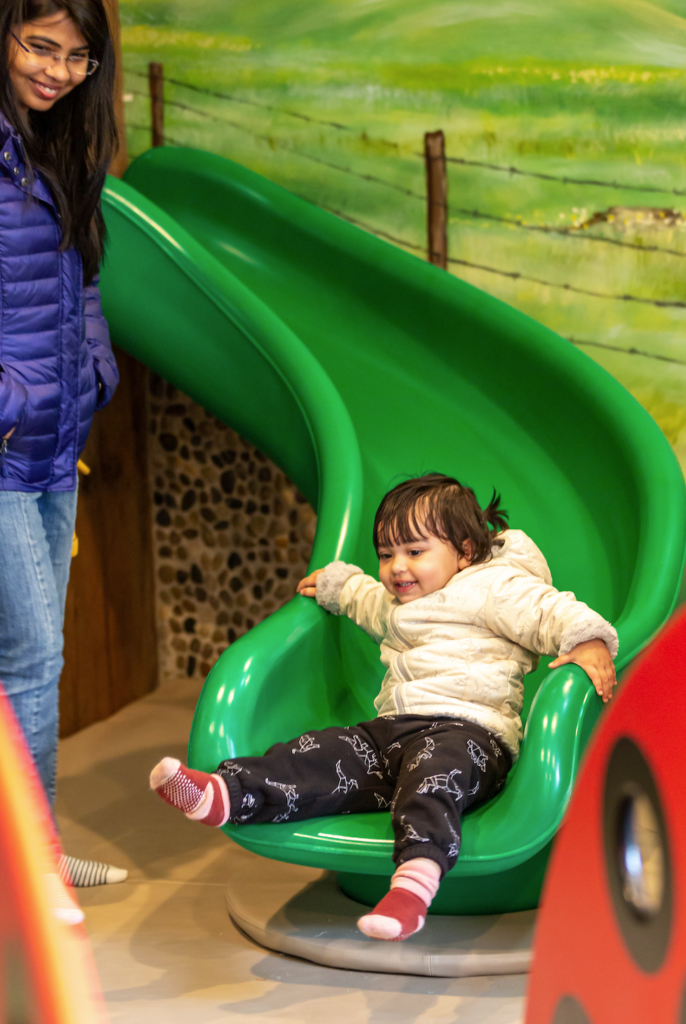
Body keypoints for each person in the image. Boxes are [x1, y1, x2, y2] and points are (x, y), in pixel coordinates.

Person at [150, 474, 618, 940]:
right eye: (386, 553)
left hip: (471, 735)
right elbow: (365, 600)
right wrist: (337, 584)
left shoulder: (496, 587)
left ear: (464, 551)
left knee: (433, 778)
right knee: (320, 753)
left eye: (415, 552)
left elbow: (548, 612)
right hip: (393, 731)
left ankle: (413, 886)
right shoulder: (398, 603)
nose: (397, 567)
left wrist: (589, 640)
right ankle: (227, 793)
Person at [0, 0, 125, 887]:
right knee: (31, 658)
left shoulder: (57, 145)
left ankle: (30, 852)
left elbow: (75, 275)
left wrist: (95, 365)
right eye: (40, 45)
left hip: (54, 439)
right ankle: (34, 874)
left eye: (78, 56)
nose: (58, 70)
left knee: (36, 657)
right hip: (6, 445)